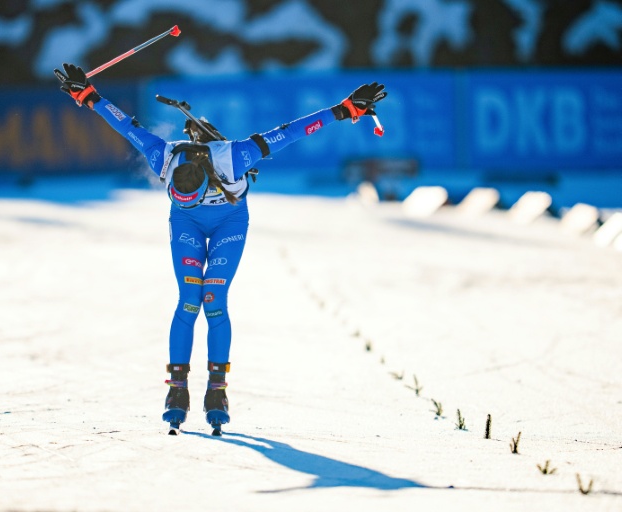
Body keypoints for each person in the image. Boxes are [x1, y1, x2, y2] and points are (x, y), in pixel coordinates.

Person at [54, 63, 387, 433]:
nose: (183, 199)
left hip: (229, 222)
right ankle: (176, 389)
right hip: (188, 227)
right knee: (188, 300)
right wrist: (87, 96)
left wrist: (344, 110)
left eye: (189, 198)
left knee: (213, 300)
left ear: (206, 185)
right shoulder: (163, 155)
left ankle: (217, 390)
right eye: (176, 198)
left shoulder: (235, 157)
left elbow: (290, 132)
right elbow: (125, 125)